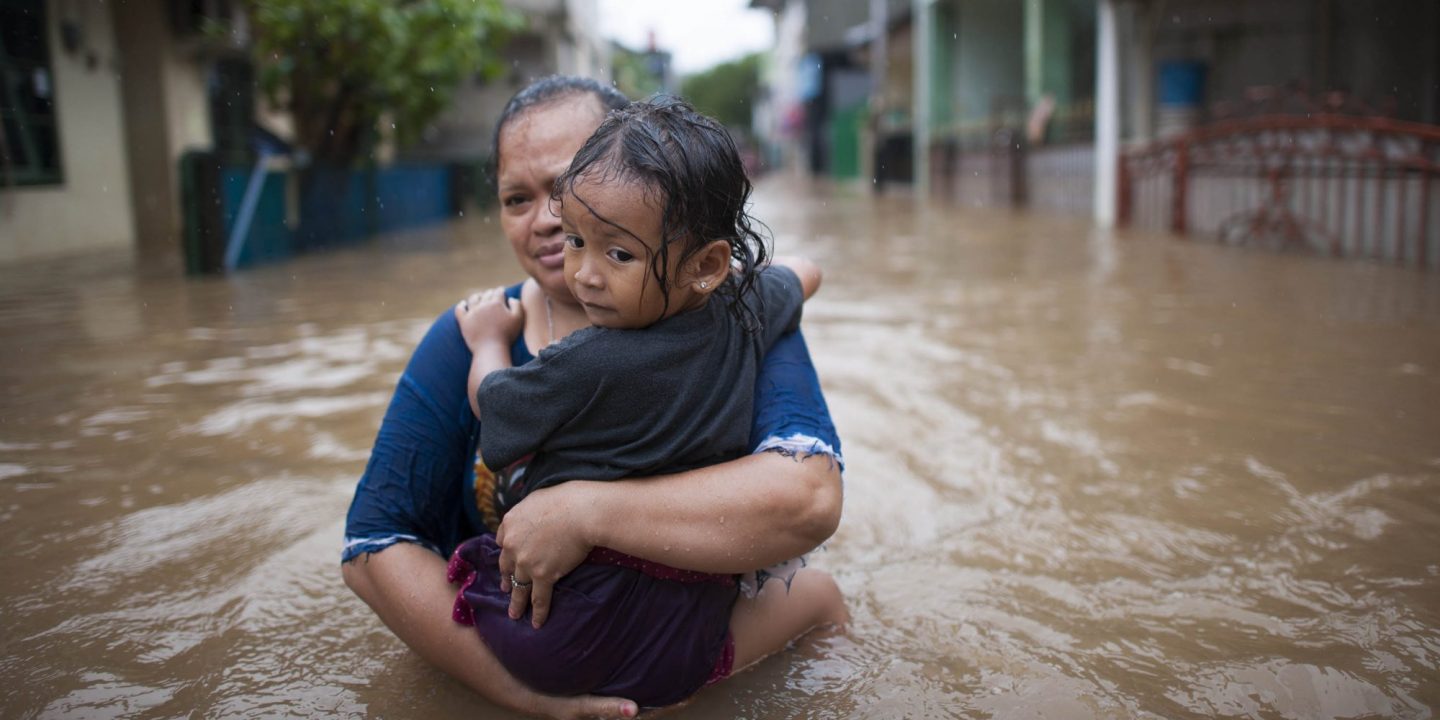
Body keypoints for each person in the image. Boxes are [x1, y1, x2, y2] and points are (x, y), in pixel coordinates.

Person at [341, 76, 846, 720]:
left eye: (569, 183)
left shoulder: (732, 310)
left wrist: (585, 513)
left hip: (633, 645)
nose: (550, 219)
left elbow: (806, 499)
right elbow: (374, 544)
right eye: (516, 198)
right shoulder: (467, 331)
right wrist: (521, 697)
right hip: (577, 659)